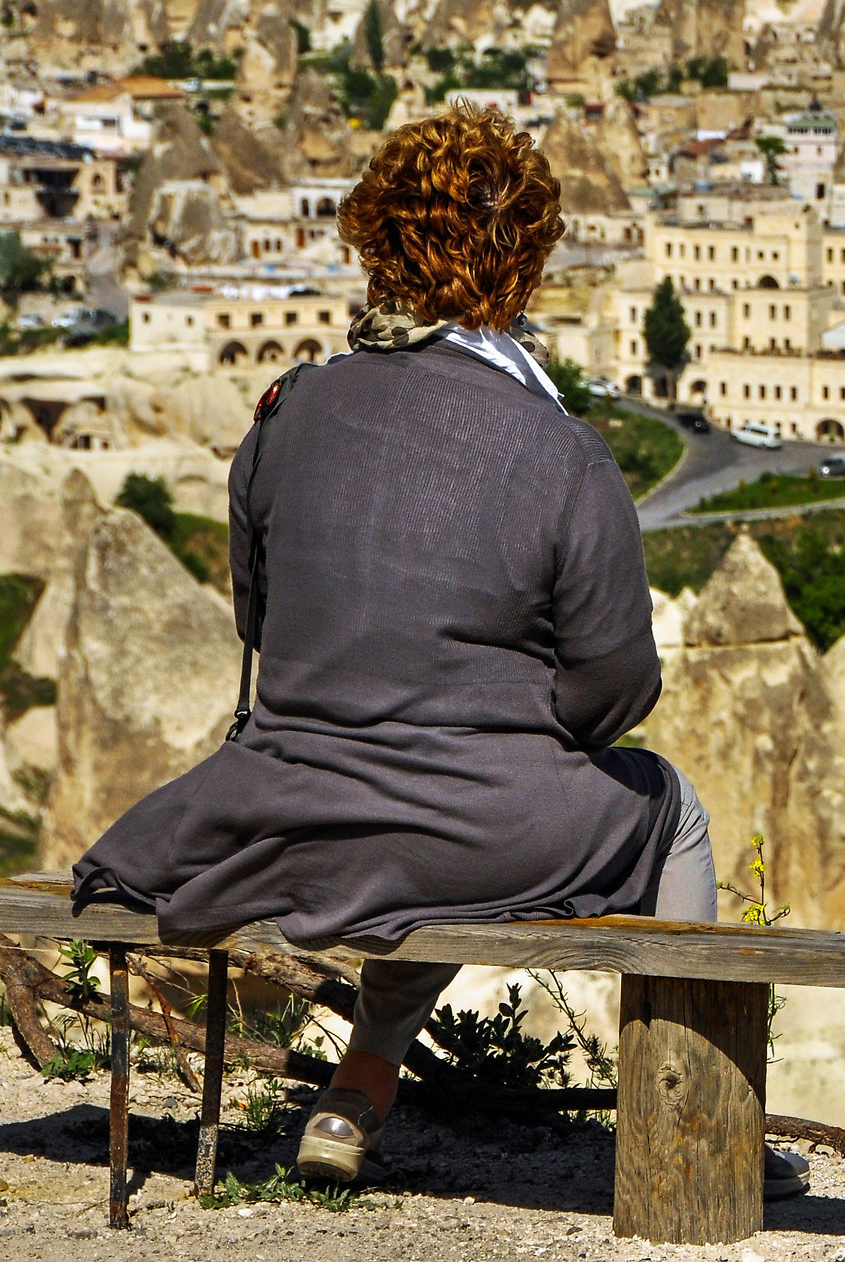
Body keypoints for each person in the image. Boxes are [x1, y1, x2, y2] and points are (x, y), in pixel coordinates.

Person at [71, 106, 805, 1198]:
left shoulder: (286, 412)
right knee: (662, 807)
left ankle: (359, 1088)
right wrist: (504, 713)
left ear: (378, 243)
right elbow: (616, 692)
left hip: (281, 813)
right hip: (469, 825)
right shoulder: (560, 450)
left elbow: (263, 624)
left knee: (432, 810)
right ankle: (696, 1135)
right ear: (525, 262)